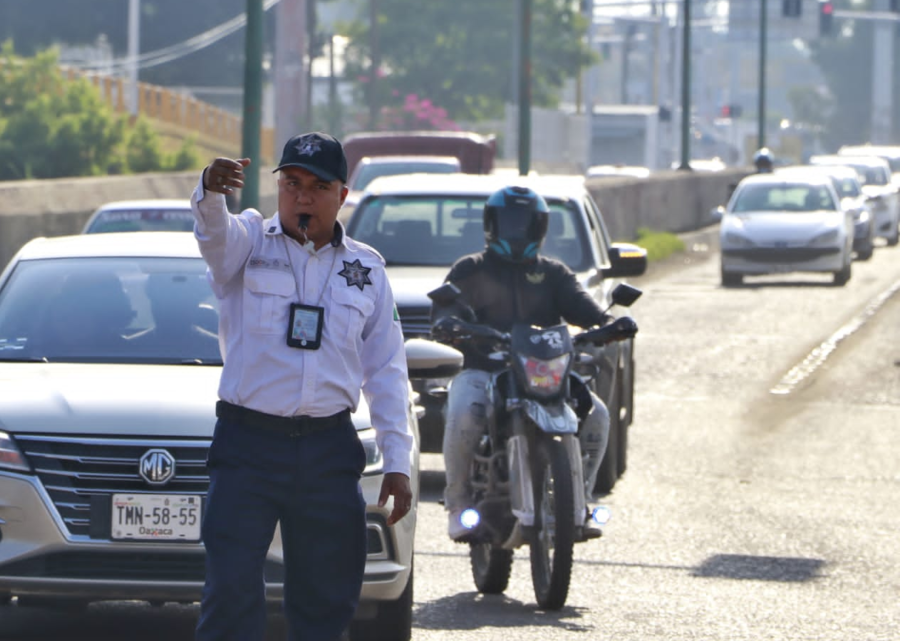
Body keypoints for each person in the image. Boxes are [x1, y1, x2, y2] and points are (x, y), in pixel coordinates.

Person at [190, 131, 415, 641]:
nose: (302, 197)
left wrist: (397, 462)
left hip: (328, 450)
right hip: (248, 447)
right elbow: (213, 238)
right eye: (291, 183)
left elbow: (386, 371)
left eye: (318, 186)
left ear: (343, 194)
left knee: (326, 601)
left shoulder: (366, 271)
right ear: (278, 187)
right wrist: (209, 191)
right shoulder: (247, 242)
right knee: (230, 596)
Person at [430, 185, 633, 542]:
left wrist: (606, 324)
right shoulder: (470, 268)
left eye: (525, 223)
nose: (516, 231)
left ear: (540, 228)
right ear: (491, 224)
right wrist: (450, 323)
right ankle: (458, 503)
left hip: (543, 371)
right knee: (464, 411)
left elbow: (586, 310)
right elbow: (447, 306)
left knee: (597, 414)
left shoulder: (554, 273)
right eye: (509, 223)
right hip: (484, 369)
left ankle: (579, 497)